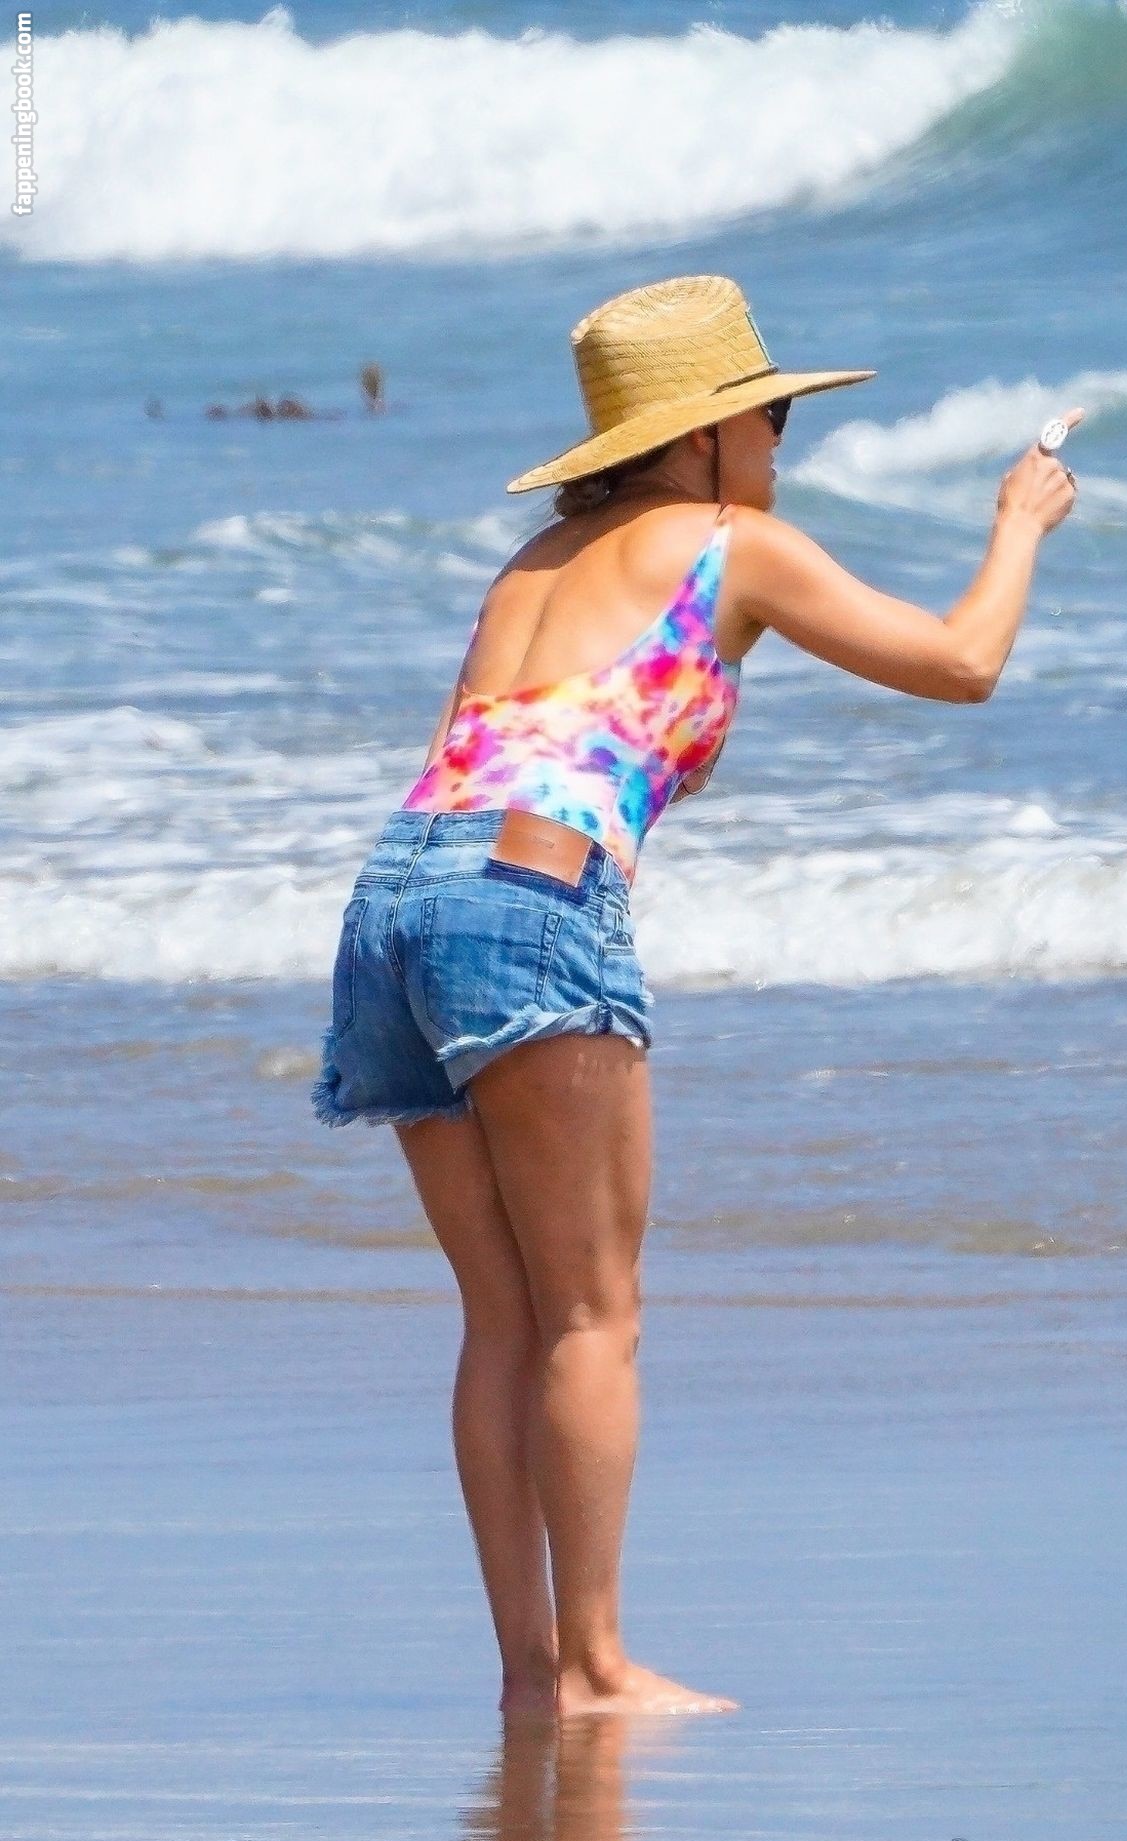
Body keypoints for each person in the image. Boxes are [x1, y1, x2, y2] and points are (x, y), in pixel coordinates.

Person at [310, 274, 1080, 1718]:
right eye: (770, 421)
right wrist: (1018, 525)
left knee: (502, 1317)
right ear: (700, 438)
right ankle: (599, 1667)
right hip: (532, 896)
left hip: (395, 901)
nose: (781, 447)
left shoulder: (534, 561)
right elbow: (963, 663)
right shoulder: (733, 543)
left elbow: (483, 754)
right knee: (593, 1315)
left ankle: (533, 1674)